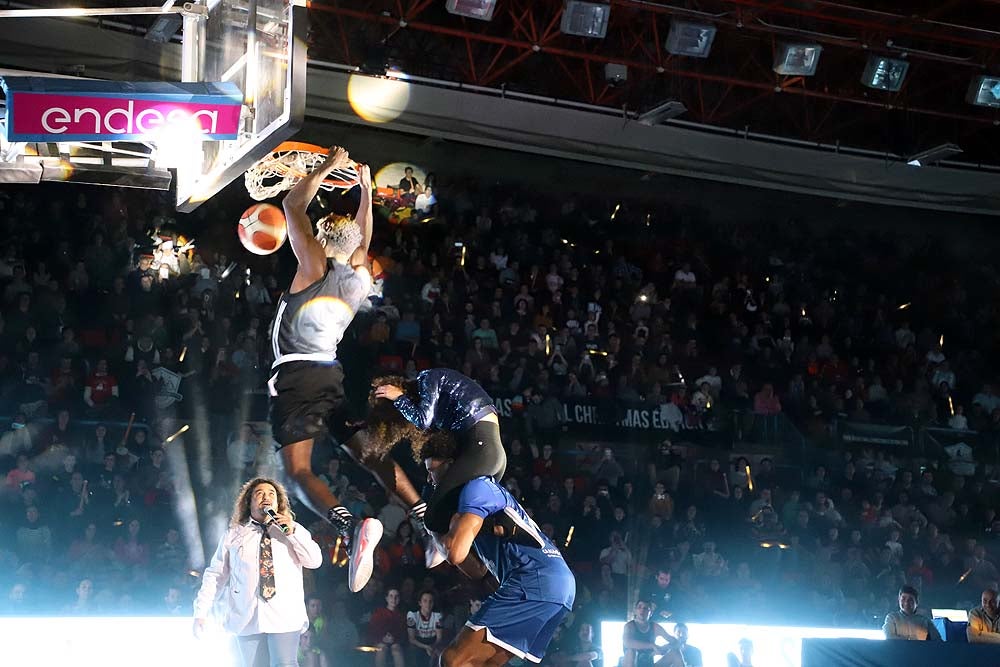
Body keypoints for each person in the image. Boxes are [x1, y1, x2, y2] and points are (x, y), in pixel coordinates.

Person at [269, 144, 422, 593]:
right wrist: (365, 193)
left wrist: (328, 168)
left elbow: (292, 202)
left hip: (297, 375)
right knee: (368, 453)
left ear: (318, 237)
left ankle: (350, 525)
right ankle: (424, 516)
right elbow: (364, 239)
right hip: (331, 376)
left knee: (298, 471)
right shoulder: (360, 277)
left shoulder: (313, 265)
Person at [421, 432, 576, 667]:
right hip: (557, 585)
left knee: (453, 660)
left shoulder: (477, 488)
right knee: (485, 665)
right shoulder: (473, 502)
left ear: (452, 465)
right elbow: (477, 571)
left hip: (533, 580)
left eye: (432, 470)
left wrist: (433, 528)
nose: (430, 479)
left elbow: (454, 554)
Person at [372, 370, 540, 548]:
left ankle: (506, 524)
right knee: (456, 517)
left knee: (432, 519)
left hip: (481, 452)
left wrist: (399, 398)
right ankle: (504, 527)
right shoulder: (444, 406)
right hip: (490, 454)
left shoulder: (427, 377)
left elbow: (422, 420)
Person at [192, 477, 323, 667]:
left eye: (271, 494)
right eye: (259, 493)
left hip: (284, 614)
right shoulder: (234, 535)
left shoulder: (293, 531)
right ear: (249, 502)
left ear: (278, 502)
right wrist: (201, 611)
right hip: (246, 616)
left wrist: (291, 531)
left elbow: (314, 561)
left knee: (285, 664)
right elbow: (215, 575)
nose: (266, 497)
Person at [622, 599, 678, 667]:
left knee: (675, 654)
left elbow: (674, 641)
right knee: (630, 652)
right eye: (639, 607)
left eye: (645, 608)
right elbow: (627, 642)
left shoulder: (654, 627)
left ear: (650, 613)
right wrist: (652, 645)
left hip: (649, 664)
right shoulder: (630, 626)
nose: (642, 610)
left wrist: (662, 648)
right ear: (635, 611)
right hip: (631, 663)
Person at [407, 590, 443, 666]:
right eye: (425, 601)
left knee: (438, 654)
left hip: (432, 641)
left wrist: (432, 647)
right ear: (420, 603)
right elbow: (411, 639)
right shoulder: (412, 615)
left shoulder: (437, 616)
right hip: (417, 642)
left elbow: (439, 638)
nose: (428, 604)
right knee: (414, 651)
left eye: (431, 601)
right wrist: (426, 647)